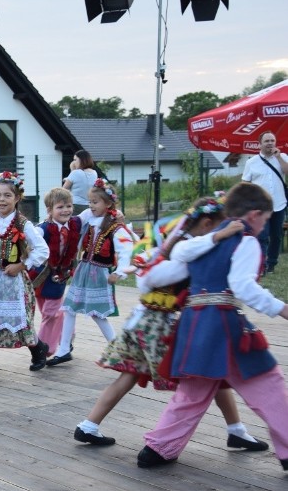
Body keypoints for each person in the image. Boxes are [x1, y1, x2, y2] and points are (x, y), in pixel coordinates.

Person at [77, 198, 267, 450]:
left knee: (132, 373)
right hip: (163, 325)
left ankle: (89, 425)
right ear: (208, 224)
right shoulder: (188, 250)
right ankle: (225, 432)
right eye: (218, 227)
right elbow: (155, 276)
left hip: (142, 320)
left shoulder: (172, 244)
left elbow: (147, 272)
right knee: (205, 374)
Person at [138, 182, 288, 470]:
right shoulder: (246, 241)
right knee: (267, 385)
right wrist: (281, 309)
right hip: (224, 326)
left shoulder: (205, 242)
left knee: (192, 393)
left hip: (194, 328)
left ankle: (157, 449)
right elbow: (242, 286)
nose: (264, 227)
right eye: (266, 221)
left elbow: (169, 267)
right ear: (255, 215)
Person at [0, 172, 51, 385]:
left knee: (19, 323)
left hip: (13, 281)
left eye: (7, 195)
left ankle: (38, 348)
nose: (1, 200)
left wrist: (22, 265)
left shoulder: (24, 225)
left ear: (17, 198)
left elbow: (43, 250)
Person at [47, 180, 134, 366]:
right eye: (90, 201)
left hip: (99, 273)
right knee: (70, 309)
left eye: (96, 202)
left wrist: (121, 272)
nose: (91, 205)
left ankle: (118, 349)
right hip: (84, 269)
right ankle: (64, 350)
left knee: (97, 314)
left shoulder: (115, 227)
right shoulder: (89, 219)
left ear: (108, 204)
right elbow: (76, 225)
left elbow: (126, 249)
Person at [30, 187, 82, 359]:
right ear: (49, 210)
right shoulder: (43, 228)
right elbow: (32, 235)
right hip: (39, 276)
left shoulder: (76, 223)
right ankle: (67, 335)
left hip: (58, 276)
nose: (65, 210)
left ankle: (43, 349)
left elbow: (93, 213)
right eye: (60, 207)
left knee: (50, 313)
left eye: (68, 206)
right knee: (48, 311)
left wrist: (116, 213)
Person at [241, 131, 288, 273]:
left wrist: (279, 157)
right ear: (259, 144)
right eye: (266, 141)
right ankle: (261, 265)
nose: (270, 143)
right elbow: (245, 183)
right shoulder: (251, 162)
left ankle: (272, 263)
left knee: (277, 236)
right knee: (262, 236)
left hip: (279, 204)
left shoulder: (283, 157)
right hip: (260, 207)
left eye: (272, 140)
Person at [62, 150, 98, 215]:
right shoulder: (94, 173)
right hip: (89, 206)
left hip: (75, 205)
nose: (74, 162)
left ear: (81, 160)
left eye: (75, 160)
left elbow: (63, 190)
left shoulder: (75, 173)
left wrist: (72, 170)